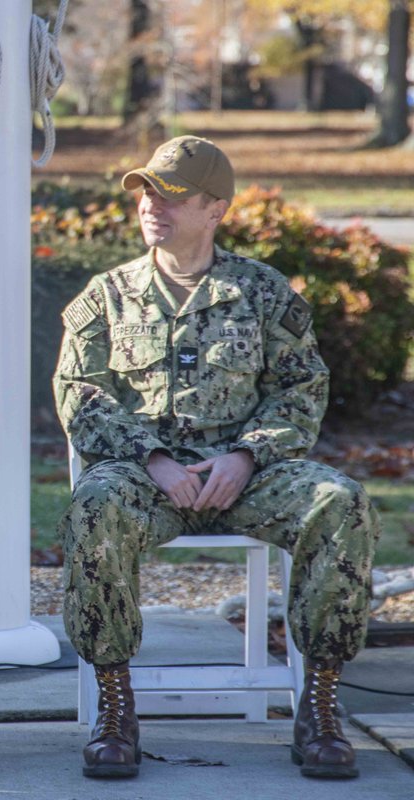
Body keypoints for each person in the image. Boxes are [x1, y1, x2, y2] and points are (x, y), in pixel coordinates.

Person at [53, 135, 380, 781]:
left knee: (340, 503)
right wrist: (152, 460)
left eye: (172, 196)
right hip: (146, 477)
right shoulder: (107, 295)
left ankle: (320, 705)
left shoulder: (262, 293)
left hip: (249, 474)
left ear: (216, 209)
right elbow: (80, 393)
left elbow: (301, 388)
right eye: (147, 191)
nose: (152, 206)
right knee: (95, 508)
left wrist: (246, 457)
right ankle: (116, 708)